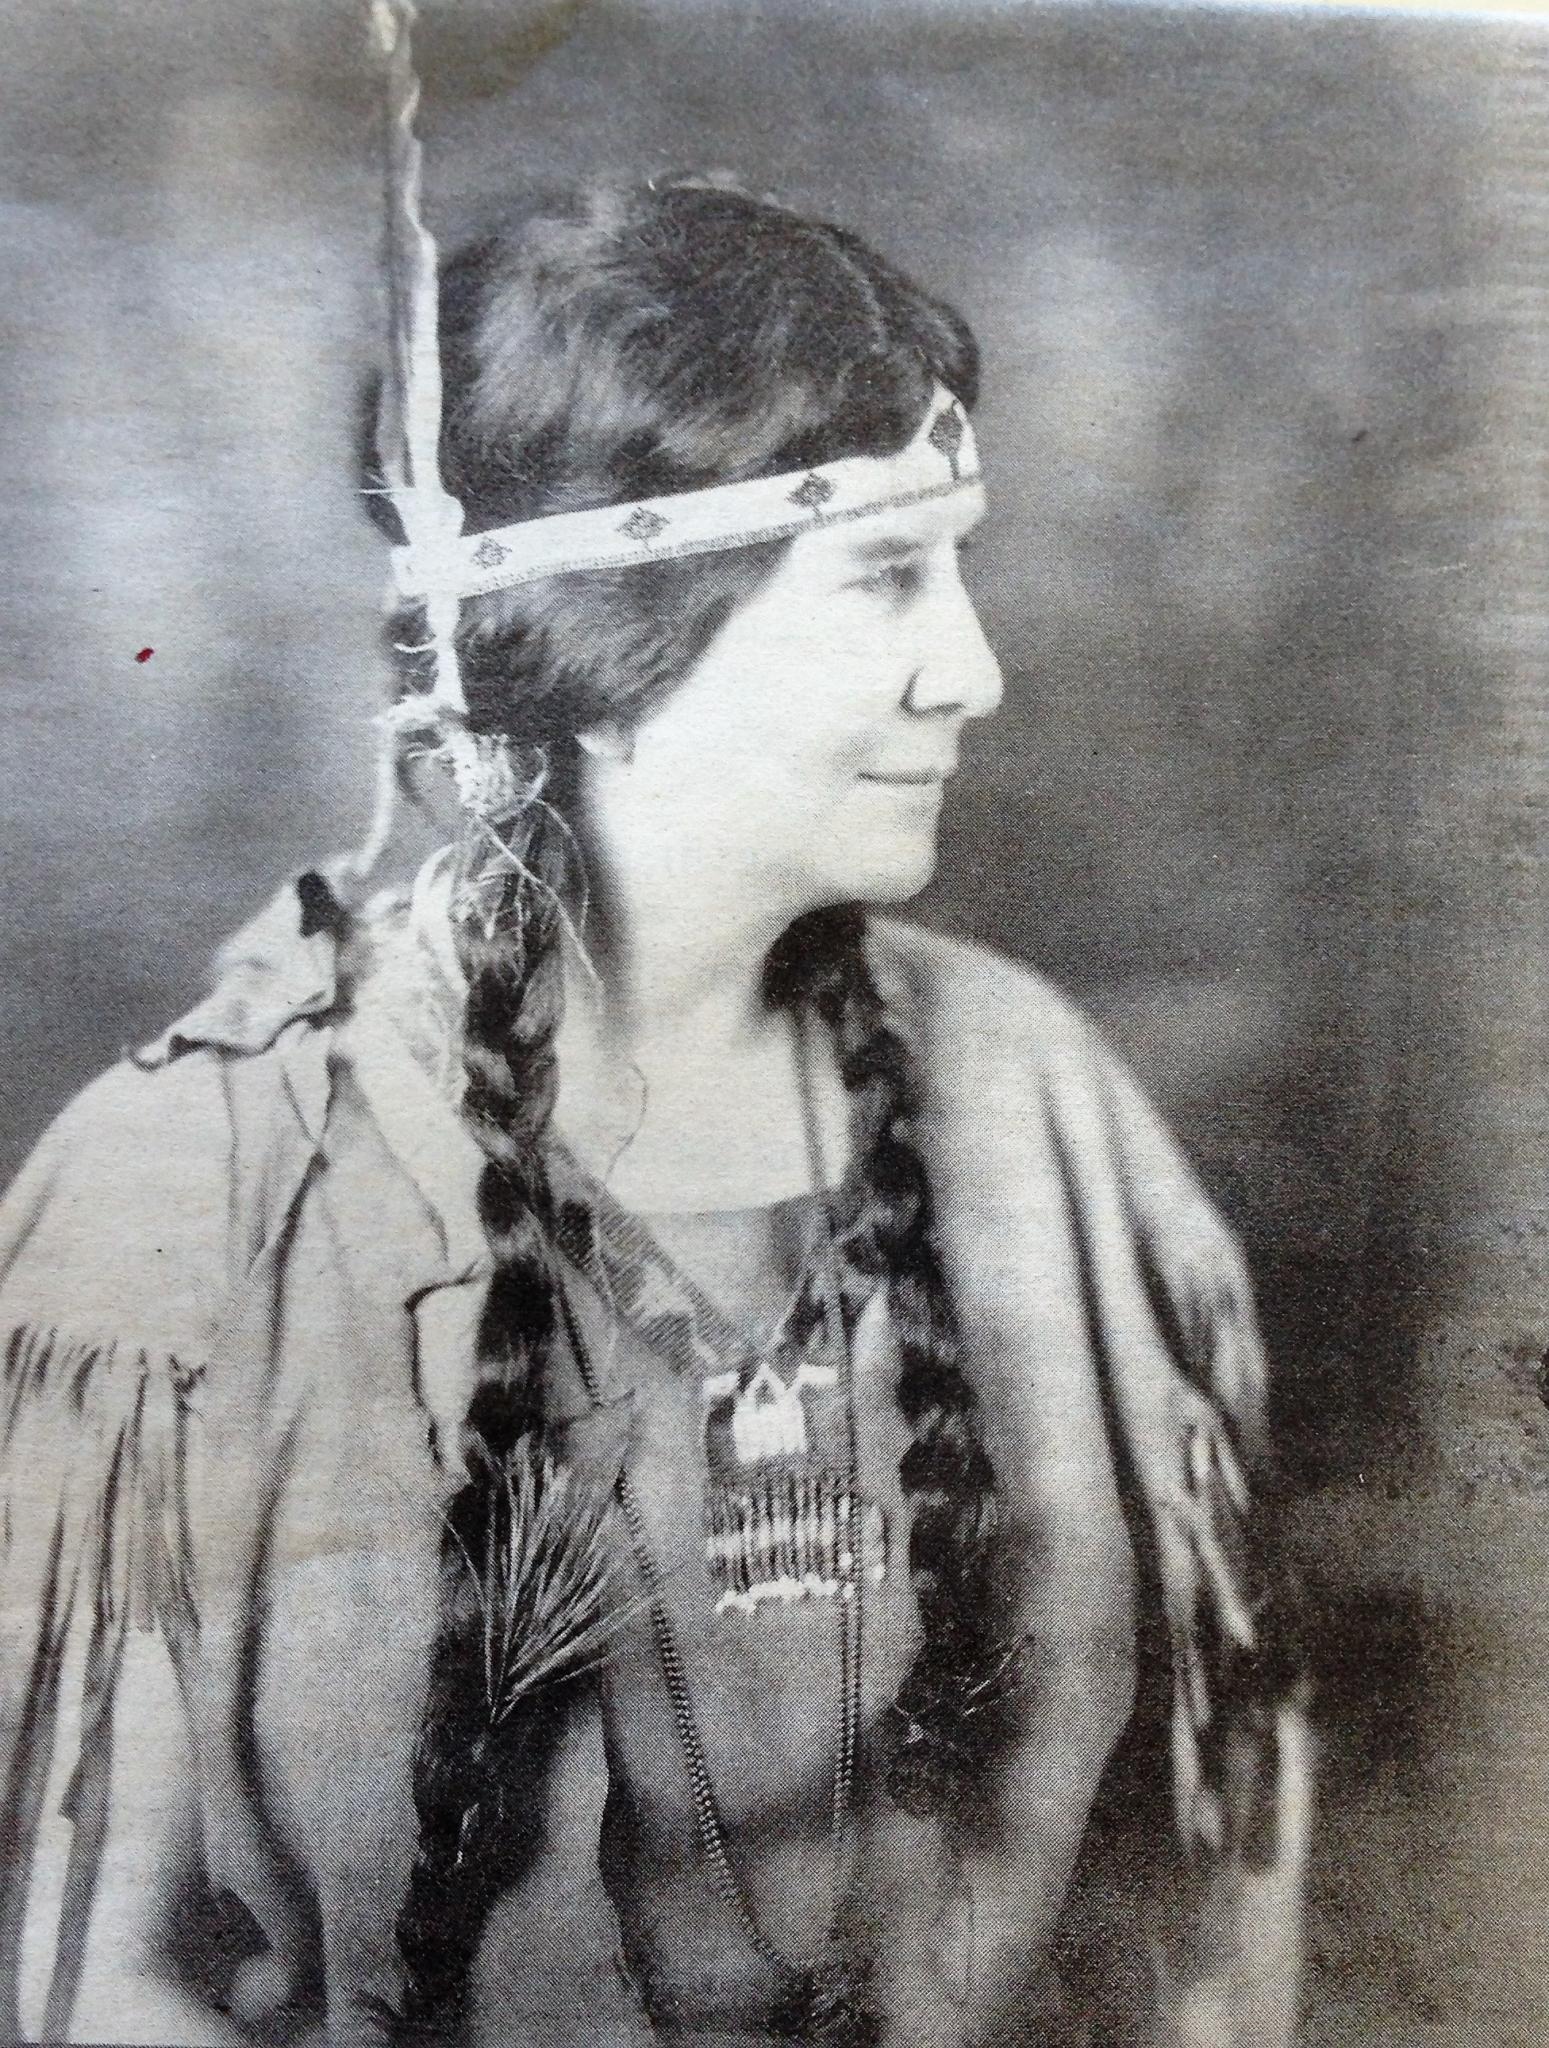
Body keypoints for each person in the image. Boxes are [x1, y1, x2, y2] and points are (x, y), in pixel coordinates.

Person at [0, 171, 1308, 2048]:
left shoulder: (1033, 1106)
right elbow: (77, 1974)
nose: (975, 668)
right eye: (883, 576)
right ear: (616, 636)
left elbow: (1219, 1860)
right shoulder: (196, 1190)